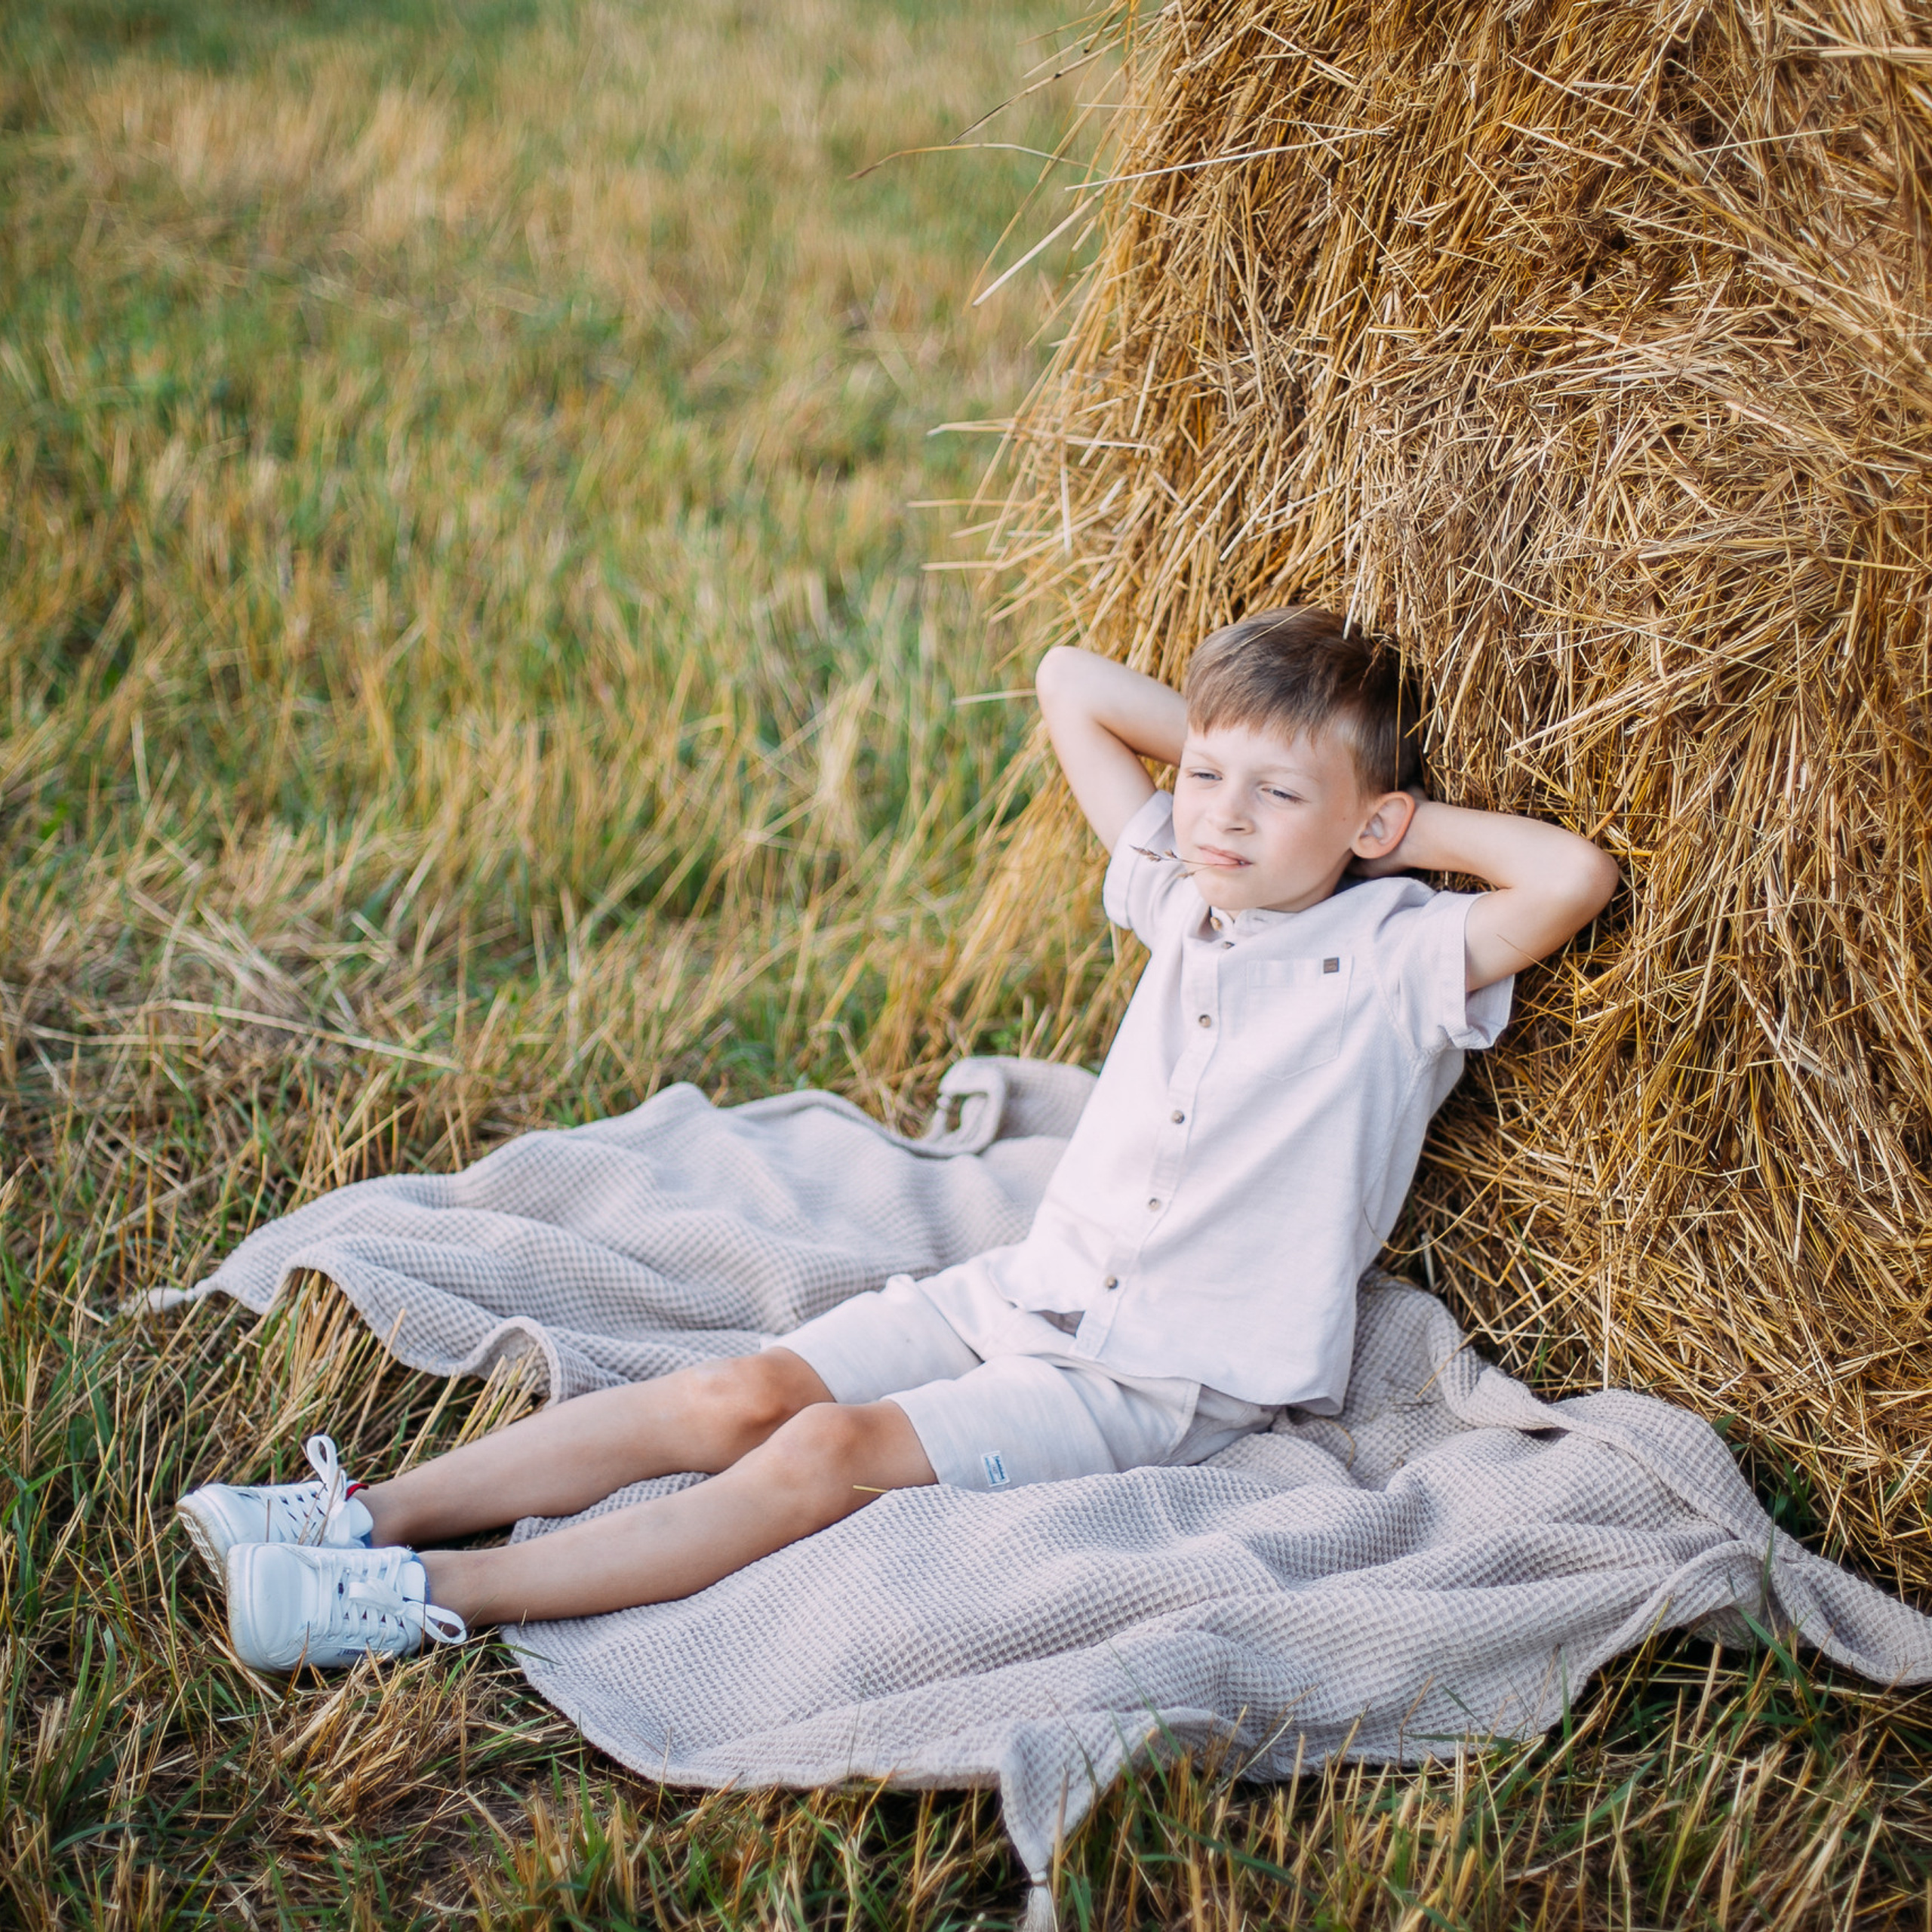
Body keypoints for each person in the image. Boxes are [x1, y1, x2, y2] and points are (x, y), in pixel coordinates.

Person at [178, 606, 1619, 1669]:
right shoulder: (1184, 888)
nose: (1221, 816)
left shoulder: (1403, 961)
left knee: (825, 1451)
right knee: (737, 1394)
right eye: (1204, 780)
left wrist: (1377, 821)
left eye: (1275, 797)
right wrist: (1254, 766)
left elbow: (1574, 871)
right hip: (1027, 1291)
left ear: (1375, 827)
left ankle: (436, 1599)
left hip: (1160, 1373)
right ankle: (363, 1516)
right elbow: (1070, 684)